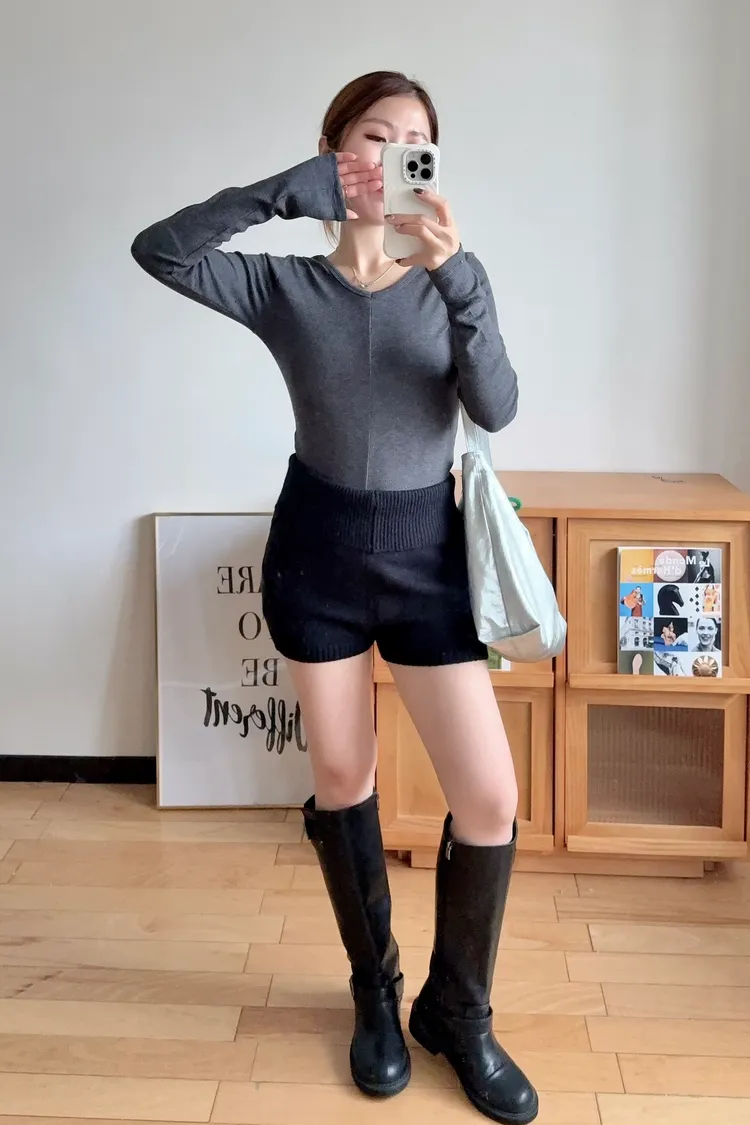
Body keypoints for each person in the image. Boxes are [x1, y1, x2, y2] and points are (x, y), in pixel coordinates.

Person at [131, 70, 536, 1125]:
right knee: (344, 778)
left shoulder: (451, 278)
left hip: (425, 560)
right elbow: (160, 250)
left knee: (489, 798)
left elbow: (497, 405)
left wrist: (457, 277)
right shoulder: (285, 289)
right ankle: (375, 992)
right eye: (373, 136)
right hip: (316, 556)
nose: (395, 154)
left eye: (416, 140)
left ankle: (458, 1012)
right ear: (334, 149)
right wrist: (285, 192)